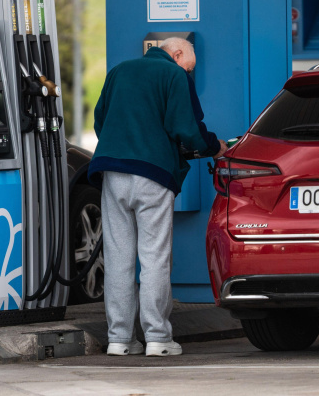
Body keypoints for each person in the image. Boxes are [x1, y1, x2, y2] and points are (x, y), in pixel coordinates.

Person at [89, 37, 227, 357]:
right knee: (154, 258)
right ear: (177, 54)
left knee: (119, 259)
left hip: (112, 172)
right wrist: (213, 146)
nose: (189, 73)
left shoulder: (119, 71)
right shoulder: (174, 75)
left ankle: (120, 339)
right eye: (189, 67)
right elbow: (187, 129)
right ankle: (158, 338)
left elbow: (100, 120)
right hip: (153, 174)